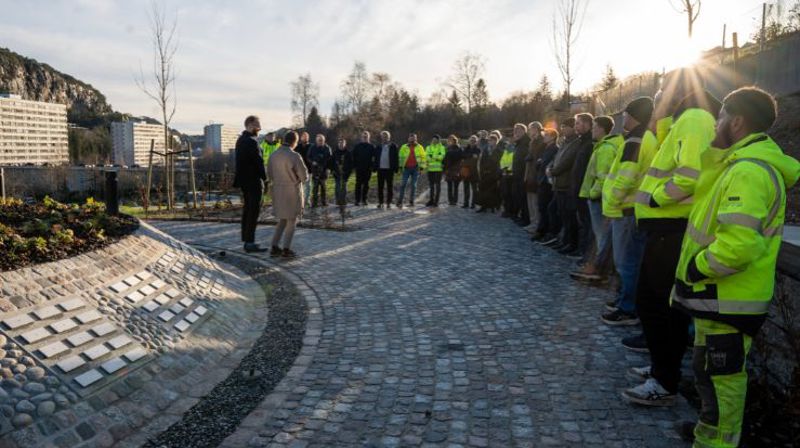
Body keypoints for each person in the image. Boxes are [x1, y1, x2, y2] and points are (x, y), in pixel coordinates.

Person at [670, 87, 799, 447]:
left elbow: (738, 246)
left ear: (738, 121)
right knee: (707, 373)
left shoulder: (748, 171)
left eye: (721, 116)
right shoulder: (738, 165)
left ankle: (719, 443)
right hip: (718, 297)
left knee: (722, 380)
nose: (715, 125)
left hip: (726, 297)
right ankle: (706, 435)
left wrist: (696, 268)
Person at [623, 79, 724, 405]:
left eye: (661, 93)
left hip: (672, 227)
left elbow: (690, 176)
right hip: (666, 228)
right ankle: (661, 369)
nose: (656, 100)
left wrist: (654, 199)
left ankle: (664, 381)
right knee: (658, 306)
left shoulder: (694, 119)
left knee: (659, 308)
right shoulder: (687, 120)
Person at [600, 97, 658, 327]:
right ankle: (625, 300)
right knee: (631, 260)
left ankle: (628, 308)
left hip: (625, 209)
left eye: (625, 114)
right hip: (633, 208)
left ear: (633, 116)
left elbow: (625, 176)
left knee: (626, 262)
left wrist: (611, 202)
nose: (622, 118)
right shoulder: (647, 137)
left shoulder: (634, 140)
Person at [572, 116, 623, 281]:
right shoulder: (606, 146)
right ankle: (604, 269)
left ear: (601, 128)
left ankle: (602, 271)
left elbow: (603, 177)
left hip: (599, 198)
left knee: (601, 237)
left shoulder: (606, 148)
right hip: (601, 197)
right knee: (604, 236)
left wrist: (593, 194)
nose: (592, 130)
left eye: (594, 127)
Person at [267, 131, 308, 258]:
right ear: (294, 142)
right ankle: (286, 248)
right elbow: (304, 177)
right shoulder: (295, 156)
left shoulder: (273, 155)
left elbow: (269, 174)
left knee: (282, 219)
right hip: (292, 192)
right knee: (291, 220)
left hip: (278, 191)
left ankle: (274, 246)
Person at [232, 115, 268, 253]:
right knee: (253, 211)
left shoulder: (240, 140)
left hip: (244, 181)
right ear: (250, 125)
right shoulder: (252, 141)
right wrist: (265, 178)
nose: (260, 127)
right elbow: (259, 162)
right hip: (253, 181)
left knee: (248, 210)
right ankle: (249, 242)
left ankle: (247, 240)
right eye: (257, 124)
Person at [544, 118, 579, 250]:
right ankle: (563, 239)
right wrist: (550, 167)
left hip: (566, 184)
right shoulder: (564, 142)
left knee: (569, 216)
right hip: (559, 184)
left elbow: (566, 162)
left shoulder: (575, 143)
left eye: (565, 126)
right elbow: (556, 159)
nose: (562, 129)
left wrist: (552, 171)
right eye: (562, 126)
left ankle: (571, 243)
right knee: (560, 213)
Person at [567, 113, 596, 259]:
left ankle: (586, 254)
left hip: (584, 190)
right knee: (582, 222)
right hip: (578, 188)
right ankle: (581, 250)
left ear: (586, 124)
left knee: (587, 224)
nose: (575, 126)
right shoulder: (581, 142)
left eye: (577, 123)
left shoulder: (590, 143)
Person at [532, 128, 560, 241]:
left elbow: (544, 163)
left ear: (553, 137)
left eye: (547, 135)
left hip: (547, 182)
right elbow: (538, 163)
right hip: (541, 180)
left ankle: (545, 231)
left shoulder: (554, 148)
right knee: (542, 207)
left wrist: (540, 163)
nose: (544, 137)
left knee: (545, 207)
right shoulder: (546, 148)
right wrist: (540, 163)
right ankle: (541, 230)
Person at [524, 122, 546, 233]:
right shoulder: (532, 142)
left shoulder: (541, 141)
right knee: (530, 200)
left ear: (537, 129)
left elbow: (538, 157)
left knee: (535, 201)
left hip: (536, 174)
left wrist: (531, 157)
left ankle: (537, 224)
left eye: (531, 129)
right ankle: (532, 222)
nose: (529, 131)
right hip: (530, 174)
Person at [396, 133, 427, 208]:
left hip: (415, 169)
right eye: (411, 138)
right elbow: (400, 157)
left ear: (416, 139)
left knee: (413, 185)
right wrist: (400, 166)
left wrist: (422, 167)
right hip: (406, 168)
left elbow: (423, 157)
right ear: (408, 138)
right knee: (403, 184)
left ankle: (411, 201)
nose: (412, 139)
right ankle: (400, 201)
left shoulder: (420, 147)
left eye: (414, 138)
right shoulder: (404, 147)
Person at [511, 123, 532, 225]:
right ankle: (521, 216)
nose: (516, 132)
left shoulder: (527, 142)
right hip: (516, 174)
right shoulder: (518, 143)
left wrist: (525, 175)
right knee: (519, 196)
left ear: (524, 131)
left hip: (523, 174)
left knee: (524, 198)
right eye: (515, 130)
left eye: (518, 130)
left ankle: (526, 219)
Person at [477, 133, 502, 213]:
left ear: (496, 141)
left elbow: (499, 163)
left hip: (494, 173)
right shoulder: (485, 150)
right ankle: (483, 206)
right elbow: (481, 162)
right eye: (489, 140)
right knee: (483, 190)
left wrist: (497, 174)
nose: (490, 142)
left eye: (492, 140)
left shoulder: (499, 151)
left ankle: (493, 206)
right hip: (485, 173)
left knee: (493, 191)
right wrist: (481, 171)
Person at [375, 131, 399, 209]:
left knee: (390, 187)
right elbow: (376, 158)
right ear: (381, 137)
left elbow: (396, 158)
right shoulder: (378, 146)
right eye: (383, 136)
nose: (384, 138)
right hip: (380, 169)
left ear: (389, 137)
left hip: (390, 170)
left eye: (386, 136)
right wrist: (375, 167)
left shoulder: (393, 146)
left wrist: (396, 168)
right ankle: (381, 202)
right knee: (380, 187)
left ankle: (388, 203)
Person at [308, 134, 333, 207]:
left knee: (323, 188)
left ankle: (324, 202)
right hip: (315, 170)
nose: (320, 141)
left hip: (324, 171)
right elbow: (308, 157)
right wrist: (312, 161)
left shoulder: (327, 148)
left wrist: (329, 169)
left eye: (322, 140)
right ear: (316, 141)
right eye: (319, 140)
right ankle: (314, 203)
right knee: (315, 188)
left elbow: (330, 159)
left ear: (324, 140)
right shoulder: (312, 148)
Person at [352, 131, 375, 206]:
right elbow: (353, 156)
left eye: (366, 136)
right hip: (359, 169)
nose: (365, 137)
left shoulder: (371, 147)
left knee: (366, 185)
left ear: (369, 137)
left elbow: (374, 158)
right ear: (361, 137)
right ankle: (357, 200)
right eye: (363, 136)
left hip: (368, 169)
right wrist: (355, 166)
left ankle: (364, 200)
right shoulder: (357, 146)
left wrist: (372, 166)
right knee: (358, 184)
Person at [425, 135, 446, 207]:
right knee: (431, 186)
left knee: (437, 186)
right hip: (430, 169)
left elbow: (442, 157)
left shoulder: (442, 147)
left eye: (435, 139)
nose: (434, 141)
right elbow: (427, 157)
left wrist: (432, 157)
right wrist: (436, 157)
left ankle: (436, 201)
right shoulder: (428, 147)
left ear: (438, 140)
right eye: (433, 139)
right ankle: (431, 200)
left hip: (438, 169)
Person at [331, 137, 353, 206]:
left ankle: (343, 201)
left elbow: (351, 164)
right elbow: (331, 163)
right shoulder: (335, 153)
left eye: (342, 143)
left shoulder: (348, 153)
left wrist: (348, 173)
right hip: (337, 173)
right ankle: (337, 201)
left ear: (345, 144)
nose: (341, 144)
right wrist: (332, 171)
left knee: (344, 188)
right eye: (340, 143)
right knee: (337, 188)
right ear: (338, 144)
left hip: (345, 174)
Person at [443, 135, 463, 206]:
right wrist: (444, 169)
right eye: (449, 140)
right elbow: (444, 160)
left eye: (451, 140)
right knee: (450, 186)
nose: (450, 142)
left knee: (455, 186)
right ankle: (451, 200)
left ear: (455, 141)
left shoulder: (459, 149)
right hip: (449, 169)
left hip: (456, 169)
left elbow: (461, 160)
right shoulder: (447, 149)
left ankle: (454, 201)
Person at [461, 135, 481, 208]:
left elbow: (476, 158)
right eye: (471, 140)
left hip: (474, 172)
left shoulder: (478, 149)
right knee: (466, 189)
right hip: (466, 171)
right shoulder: (465, 149)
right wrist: (471, 156)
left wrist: (468, 157)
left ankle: (473, 204)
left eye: (474, 141)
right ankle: (466, 203)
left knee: (474, 190)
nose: (472, 142)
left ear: (476, 142)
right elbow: (463, 156)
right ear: (469, 141)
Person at [499, 134, 515, 216]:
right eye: (509, 138)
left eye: (511, 138)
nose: (510, 140)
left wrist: (508, 168)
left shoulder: (515, 148)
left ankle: (510, 211)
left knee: (510, 194)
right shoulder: (507, 148)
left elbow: (514, 161)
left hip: (511, 173)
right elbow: (503, 160)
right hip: (505, 172)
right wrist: (503, 168)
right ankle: (506, 210)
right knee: (505, 193)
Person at [295, 131, 312, 207]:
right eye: (303, 136)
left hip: (309, 169)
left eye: (306, 136)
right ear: (301, 137)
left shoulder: (312, 146)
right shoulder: (297, 147)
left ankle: (306, 202)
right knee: (299, 186)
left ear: (308, 138)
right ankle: (299, 201)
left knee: (308, 186)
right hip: (298, 170)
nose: (305, 137)